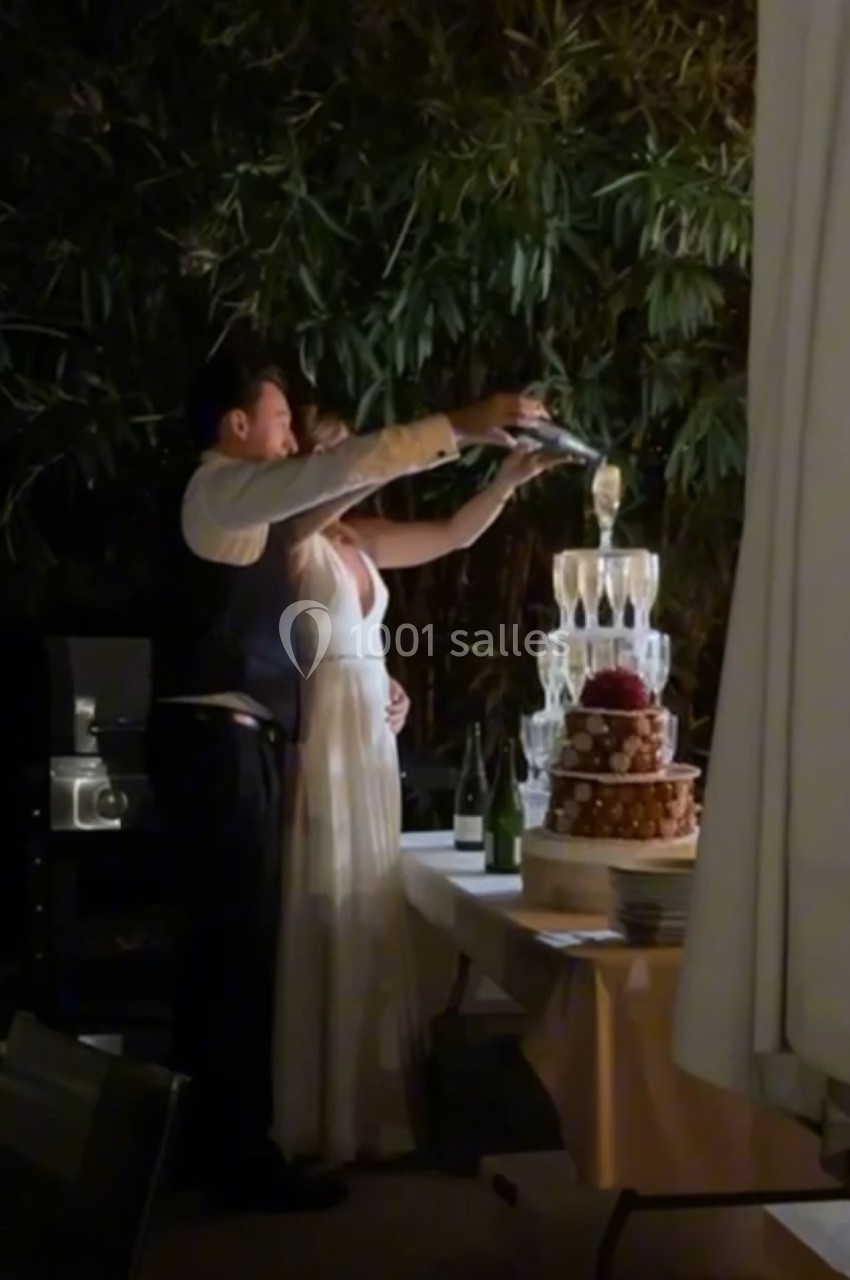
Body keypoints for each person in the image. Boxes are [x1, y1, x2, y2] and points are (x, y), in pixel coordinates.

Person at [144, 345, 548, 1214]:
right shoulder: (221, 489)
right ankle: (232, 1156)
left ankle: (208, 1148)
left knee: (232, 951)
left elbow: (340, 492)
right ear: (236, 424)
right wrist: (464, 423)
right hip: (215, 740)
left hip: (238, 739)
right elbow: (341, 473)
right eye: (282, 420)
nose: (292, 440)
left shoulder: (252, 510)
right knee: (235, 951)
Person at [271, 412, 567, 1169]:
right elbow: (312, 646)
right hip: (328, 737)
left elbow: (454, 534)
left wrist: (503, 481)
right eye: (330, 447)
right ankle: (320, 1114)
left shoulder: (358, 543)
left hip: (369, 736)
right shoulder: (293, 539)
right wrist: (365, 465)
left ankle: (373, 1111)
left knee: (370, 899)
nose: (346, 455)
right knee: (330, 898)